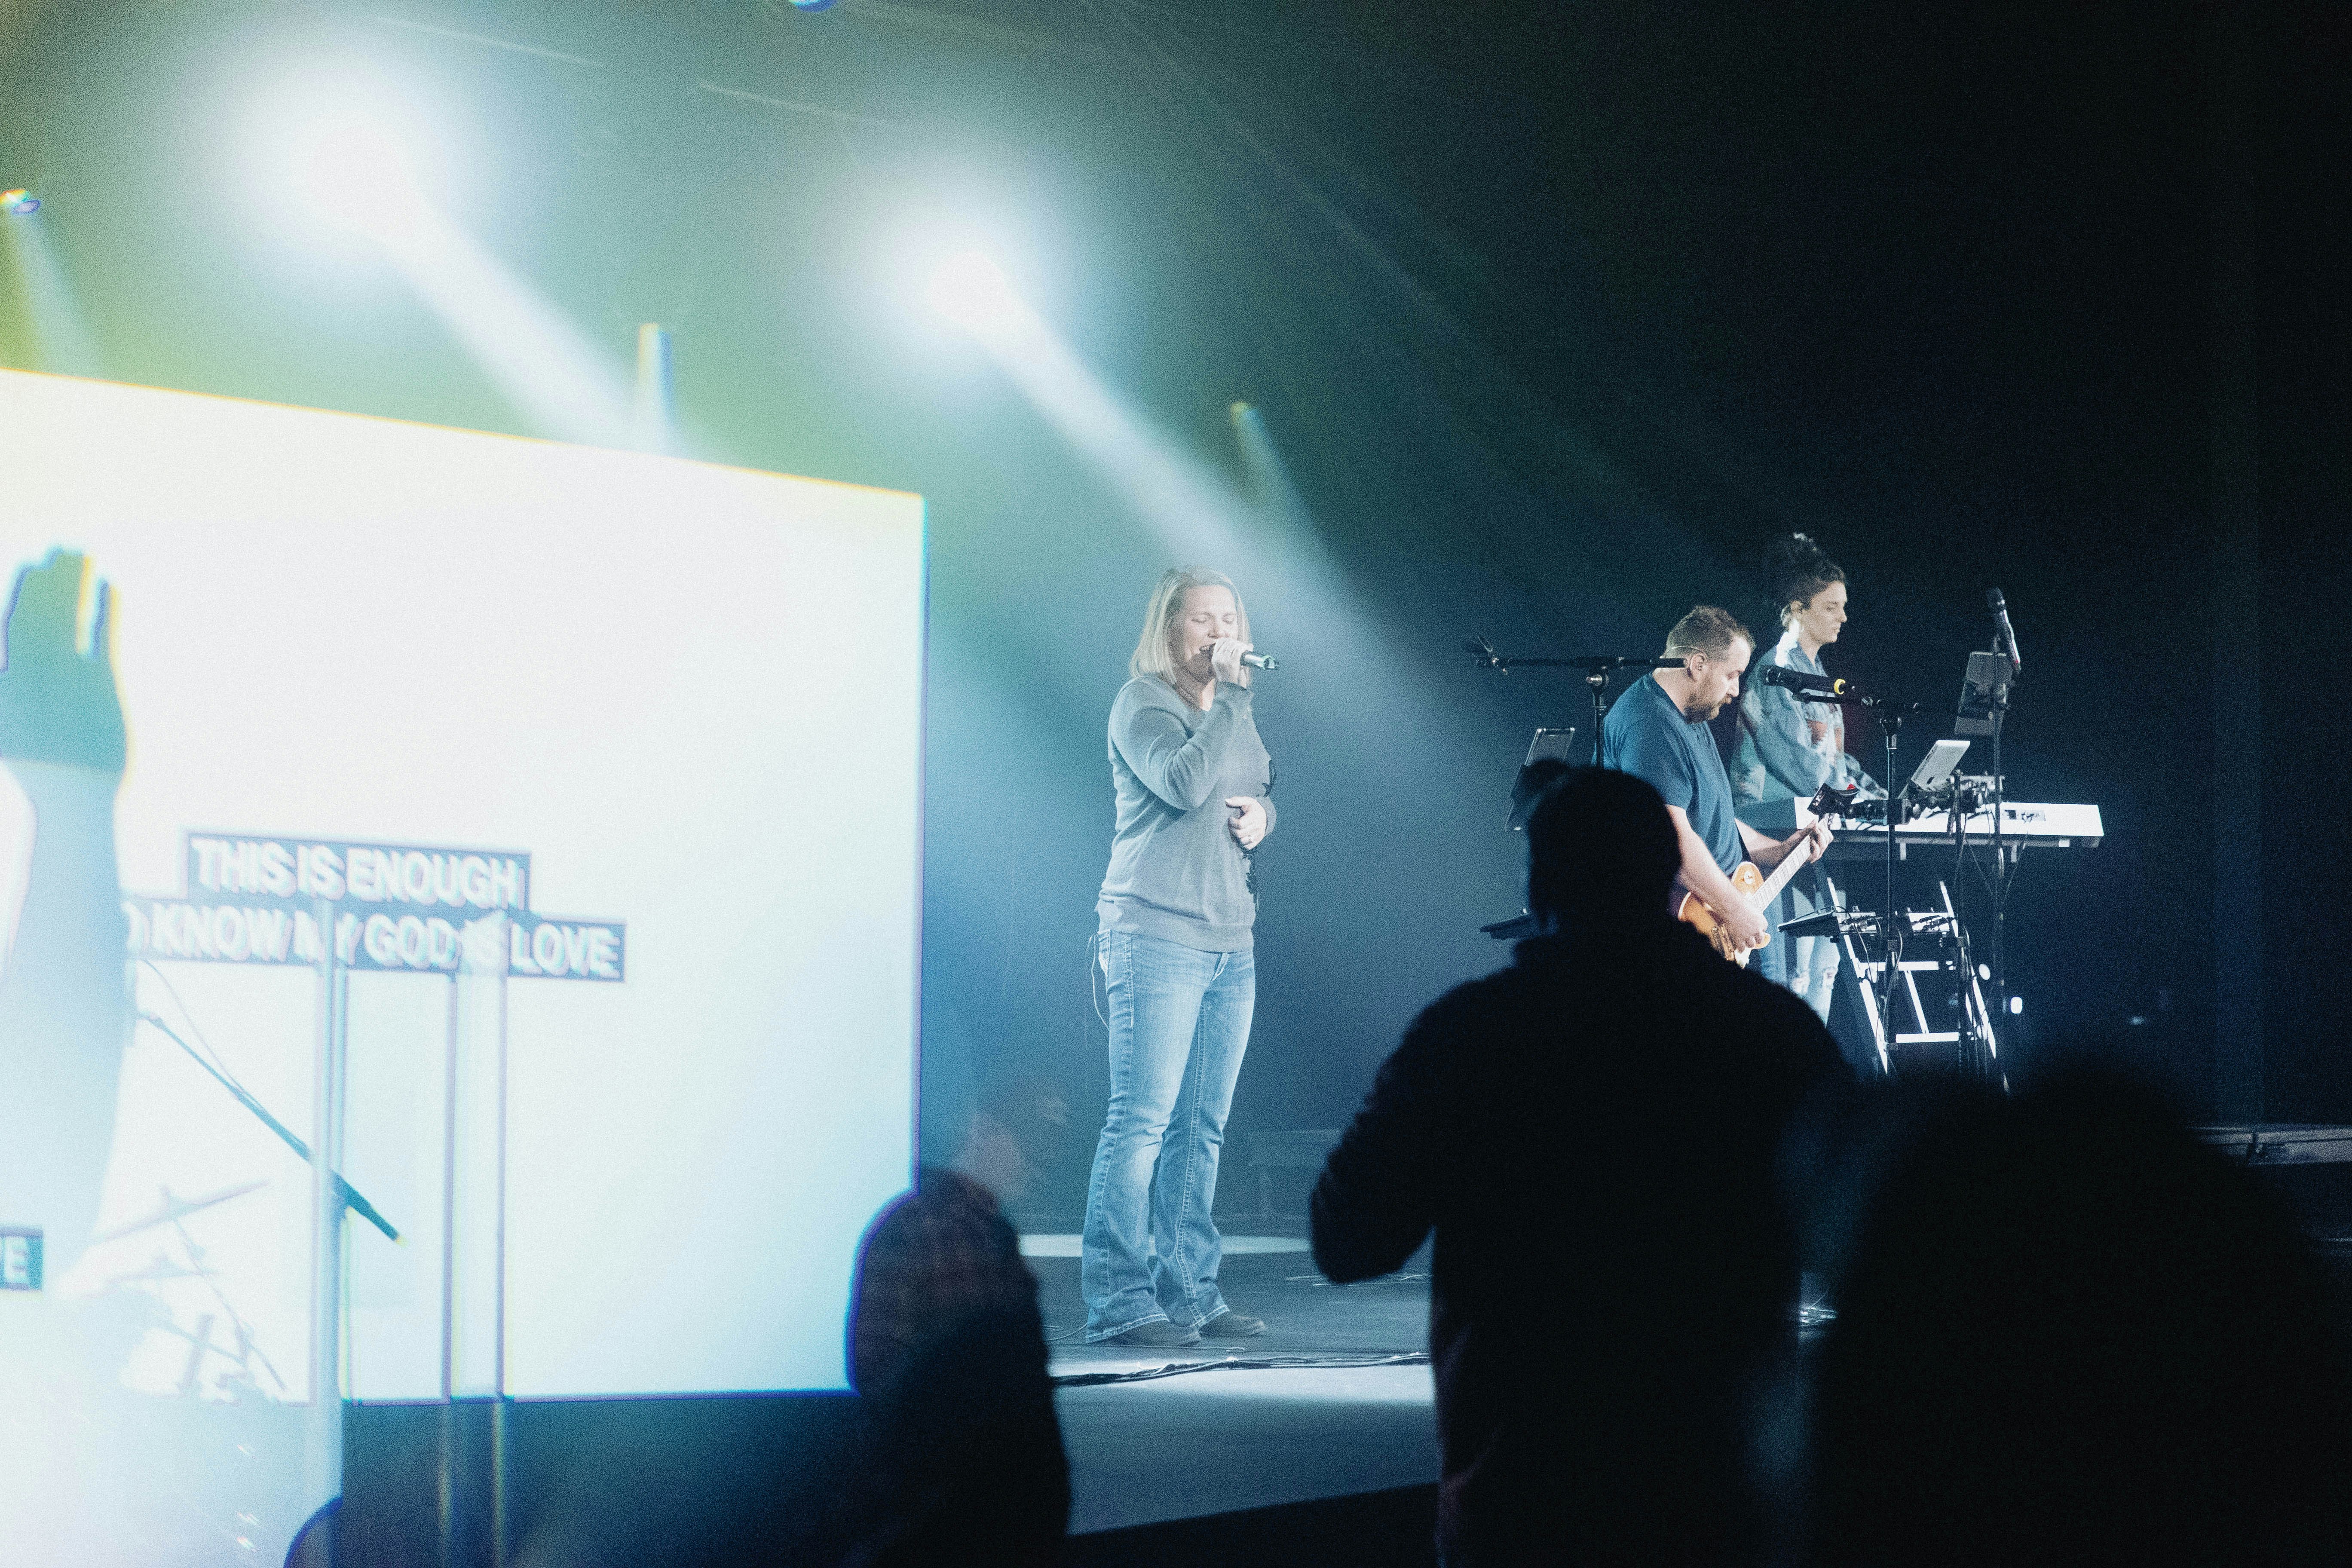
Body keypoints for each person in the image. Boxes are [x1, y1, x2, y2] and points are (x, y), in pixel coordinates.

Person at [1310, 768, 1847, 1566]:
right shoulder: (1777, 1032)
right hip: (1720, 1498)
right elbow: (1864, 1244)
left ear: (1537, 883)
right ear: (1668, 876)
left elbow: (1347, 1237)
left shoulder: (1468, 1034)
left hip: (1521, 1499)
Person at [1080, 567, 1274, 1348]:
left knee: (1204, 1126)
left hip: (1232, 940)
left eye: (1229, 616)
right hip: (1154, 933)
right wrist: (1228, 696)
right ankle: (1120, 1301)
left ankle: (1191, 1291)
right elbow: (1185, 783)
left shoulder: (1235, 707)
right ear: (1170, 629)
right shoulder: (1143, 704)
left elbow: (1250, 782)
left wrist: (1267, 813)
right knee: (1142, 1123)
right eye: (1203, 621)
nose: (1220, 631)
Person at [1600, 604, 1826, 979]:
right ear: (1697, 665)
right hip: (1694, 922)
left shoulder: (1688, 713)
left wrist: (1778, 850)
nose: (1736, 690)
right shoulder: (1651, 726)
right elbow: (1669, 837)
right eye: (1733, 675)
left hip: (1724, 910)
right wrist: (1735, 910)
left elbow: (1709, 819)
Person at [1732, 536, 1881, 1027]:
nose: (1842, 617)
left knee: (1827, 966)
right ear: (1797, 609)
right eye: (1831, 607)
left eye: (1844, 607)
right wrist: (1859, 797)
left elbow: (1839, 764)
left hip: (1818, 834)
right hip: (1774, 836)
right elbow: (1806, 769)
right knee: (1793, 974)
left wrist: (1887, 796)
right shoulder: (1775, 672)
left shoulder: (1817, 673)